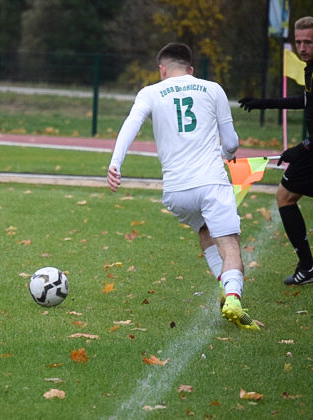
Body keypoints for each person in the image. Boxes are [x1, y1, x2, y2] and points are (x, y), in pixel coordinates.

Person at [107, 42, 259, 330]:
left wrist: (116, 162)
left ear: (162, 69)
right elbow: (231, 142)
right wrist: (228, 154)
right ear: (191, 69)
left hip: (176, 192)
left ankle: (225, 288)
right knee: (230, 244)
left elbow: (132, 123)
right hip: (211, 183)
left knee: (205, 230)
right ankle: (234, 298)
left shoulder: (150, 92)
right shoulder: (212, 88)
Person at [239, 16, 313, 292]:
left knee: (284, 196)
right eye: (299, 42)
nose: (302, 47)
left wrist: (301, 149)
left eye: (308, 42)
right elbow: (307, 101)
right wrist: (263, 103)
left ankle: (307, 267)